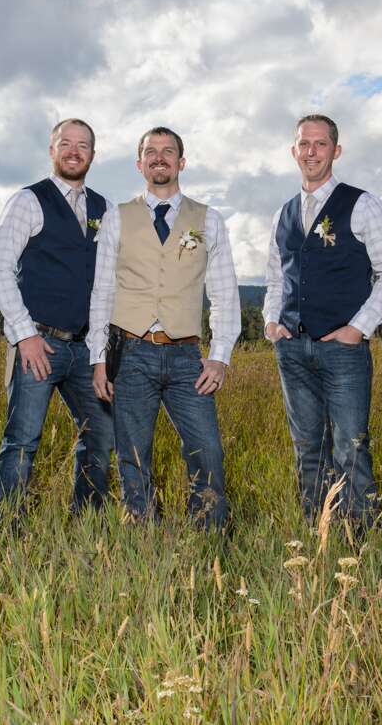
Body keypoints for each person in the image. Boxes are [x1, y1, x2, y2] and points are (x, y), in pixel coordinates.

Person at [88, 127, 240, 529]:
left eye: (168, 151)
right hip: (130, 350)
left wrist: (220, 356)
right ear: (139, 164)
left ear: (181, 162)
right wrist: (98, 359)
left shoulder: (208, 219)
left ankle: (207, 537)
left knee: (207, 450)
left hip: (187, 355)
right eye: (150, 152)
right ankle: (142, 539)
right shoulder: (117, 217)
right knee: (133, 455)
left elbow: (224, 293)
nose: (159, 158)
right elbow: (102, 291)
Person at [261, 114, 382, 529]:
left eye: (321, 144)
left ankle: (363, 539)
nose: (311, 151)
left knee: (351, 448)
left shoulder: (362, 204)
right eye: (304, 144)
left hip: (342, 350)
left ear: (335, 151)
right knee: (307, 448)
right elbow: (276, 276)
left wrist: (358, 328)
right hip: (292, 349)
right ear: (293, 152)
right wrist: (272, 322)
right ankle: (319, 534)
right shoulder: (282, 213)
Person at [0, 119, 114, 520]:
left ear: (92, 155)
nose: (74, 151)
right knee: (22, 441)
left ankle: (86, 524)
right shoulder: (28, 200)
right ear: (51, 150)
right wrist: (24, 335)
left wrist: (101, 350)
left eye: (83, 145)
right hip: (38, 342)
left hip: (86, 348)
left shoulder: (104, 209)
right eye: (65, 143)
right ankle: (7, 530)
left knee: (101, 435)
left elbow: (106, 284)